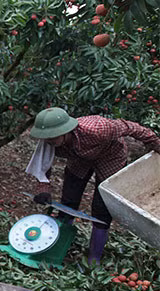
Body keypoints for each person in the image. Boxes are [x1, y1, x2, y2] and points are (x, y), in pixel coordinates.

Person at [27, 107, 160, 264]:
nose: (49, 142)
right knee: (69, 200)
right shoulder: (49, 141)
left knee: (101, 208)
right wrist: (43, 188)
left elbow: (132, 128)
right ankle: (58, 245)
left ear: (66, 131)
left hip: (110, 156)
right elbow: (44, 163)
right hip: (78, 160)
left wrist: (156, 144)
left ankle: (93, 260)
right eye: (46, 138)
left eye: (53, 138)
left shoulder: (98, 129)